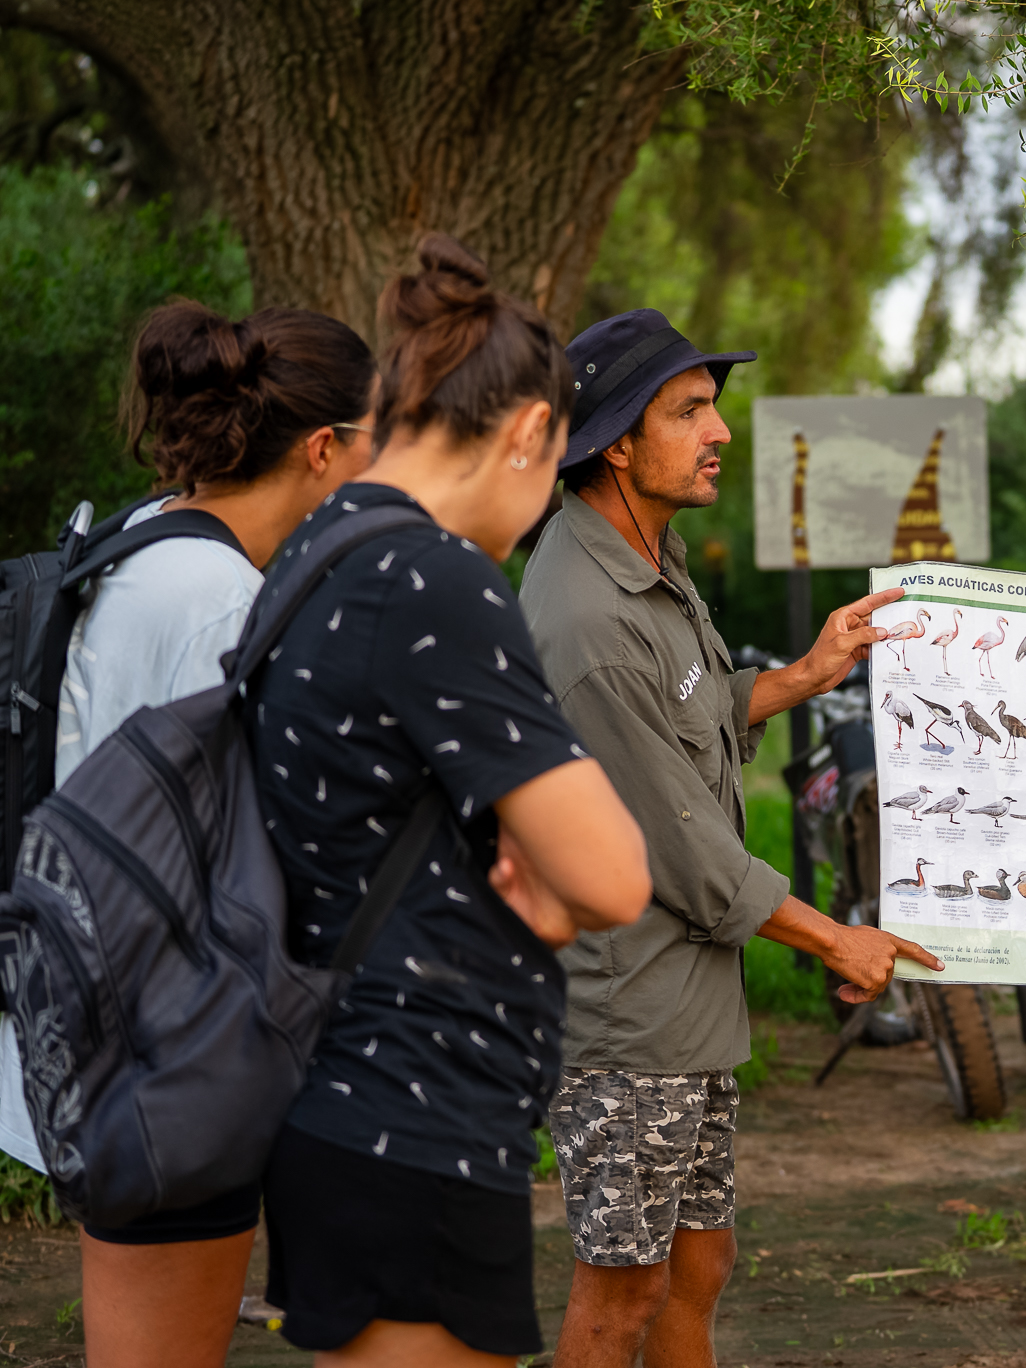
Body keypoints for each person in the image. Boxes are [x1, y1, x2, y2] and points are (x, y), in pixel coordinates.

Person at [250, 235, 652, 1367]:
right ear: (529, 431)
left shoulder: (318, 547)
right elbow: (612, 874)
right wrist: (556, 885)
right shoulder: (433, 576)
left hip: (339, 1098)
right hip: (414, 1112)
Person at [519, 308, 942, 1368]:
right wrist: (835, 940)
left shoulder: (642, 554)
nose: (719, 432)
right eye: (689, 412)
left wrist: (797, 678)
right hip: (630, 1017)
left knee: (698, 1268)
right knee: (621, 1292)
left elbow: (690, 717)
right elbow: (685, 850)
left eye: (714, 408)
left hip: (691, 1008)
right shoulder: (585, 616)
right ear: (617, 440)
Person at [2, 300, 382, 1368]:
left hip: (81, 999)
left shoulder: (130, 540)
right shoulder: (225, 602)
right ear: (322, 450)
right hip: (171, 1049)